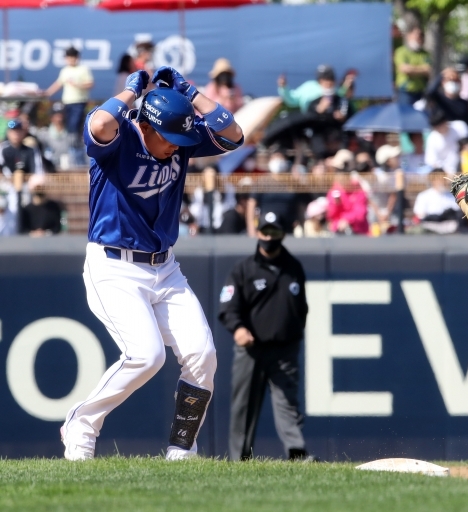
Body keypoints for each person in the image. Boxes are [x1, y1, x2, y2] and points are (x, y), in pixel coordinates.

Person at [59, 66, 244, 461]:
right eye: (170, 138)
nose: (177, 146)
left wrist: (190, 92)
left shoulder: (181, 141)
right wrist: (131, 91)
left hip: (165, 268)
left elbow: (233, 134)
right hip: (115, 266)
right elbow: (100, 122)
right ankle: (82, 423)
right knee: (146, 355)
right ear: (148, 126)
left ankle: (182, 451)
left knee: (202, 354)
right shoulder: (122, 136)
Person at [218, 211, 311, 461]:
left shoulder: (293, 268)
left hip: (285, 349)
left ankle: (297, 453)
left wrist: (294, 333)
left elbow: (301, 307)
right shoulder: (243, 270)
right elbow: (228, 306)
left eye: (275, 232)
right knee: (244, 405)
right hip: (252, 349)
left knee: (288, 404)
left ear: (283, 234)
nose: (269, 237)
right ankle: (240, 457)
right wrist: (238, 328)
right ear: (258, 233)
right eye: (265, 231)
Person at [44, 47, 94, 165]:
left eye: (73, 57)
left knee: (75, 127)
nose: (71, 59)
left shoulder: (83, 69)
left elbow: (90, 83)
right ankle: (69, 151)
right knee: (67, 127)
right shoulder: (65, 70)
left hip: (78, 102)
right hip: (67, 103)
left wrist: (77, 84)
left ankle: (77, 153)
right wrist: (47, 93)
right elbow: (59, 83)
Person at [277, 65, 352, 114]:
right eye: (324, 78)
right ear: (320, 79)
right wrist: (283, 87)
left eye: (330, 78)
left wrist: (346, 84)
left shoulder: (335, 90)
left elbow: (341, 94)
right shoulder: (309, 86)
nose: (328, 82)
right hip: (312, 124)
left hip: (331, 125)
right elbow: (292, 100)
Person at [425, 67, 468, 135]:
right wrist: (442, 75)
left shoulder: (464, 103)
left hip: (459, 139)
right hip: (441, 135)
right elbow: (429, 91)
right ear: (443, 82)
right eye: (450, 80)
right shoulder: (438, 99)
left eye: (455, 80)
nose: (453, 82)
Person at [413, 168, 460, 233]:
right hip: (430, 224)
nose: (442, 182)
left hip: (447, 225)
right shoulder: (423, 196)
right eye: (439, 179)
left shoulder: (451, 196)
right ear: (432, 180)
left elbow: (457, 213)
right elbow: (420, 214)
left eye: (443, 179)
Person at [394, 26, 431, 105]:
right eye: (416, 35)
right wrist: (422, 70)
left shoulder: (425, 54)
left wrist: (412, 69)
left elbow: (429, 70)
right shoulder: (401, 52)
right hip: (405, 92)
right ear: (409, 35)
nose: (419, 38)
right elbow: (405, 69)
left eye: (421, 35)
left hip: (421, 91)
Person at [37, 103, 72, 171]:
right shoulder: (43, 134)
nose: (59, 118)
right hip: (49, 169)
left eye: (61, 115)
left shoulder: (72, 134)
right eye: (56, 115)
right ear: (51, 117)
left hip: (69, 169)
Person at [425, 110, 461, 175]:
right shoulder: (432, 138)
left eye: (439, 127)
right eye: (436, 128)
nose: (438, 130)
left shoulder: (460, 127)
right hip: (444, 176)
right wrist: (445, 174)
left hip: (464, 170)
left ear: (445, 122)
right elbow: (431, 161)